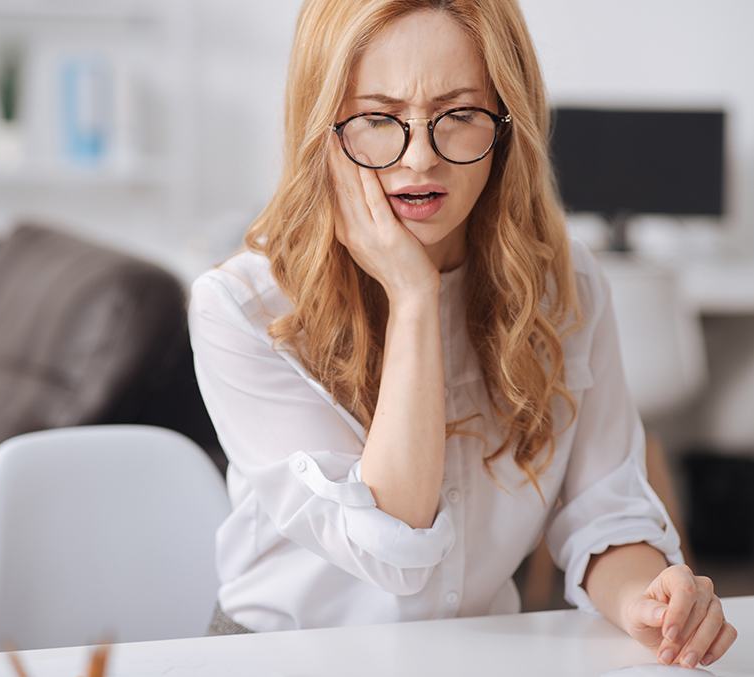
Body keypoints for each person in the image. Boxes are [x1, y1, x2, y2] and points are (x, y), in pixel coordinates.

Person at [187, 0, 737, 668]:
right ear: (322, 125)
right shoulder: (240, 307)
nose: (420, 158)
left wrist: (651, 599)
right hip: (281, 657)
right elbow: (394, 542)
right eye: (377, 119)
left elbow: (604, 513)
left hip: (472, 654)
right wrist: (414, 296)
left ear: (506, 124)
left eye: (459, 115)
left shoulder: (566, 285)